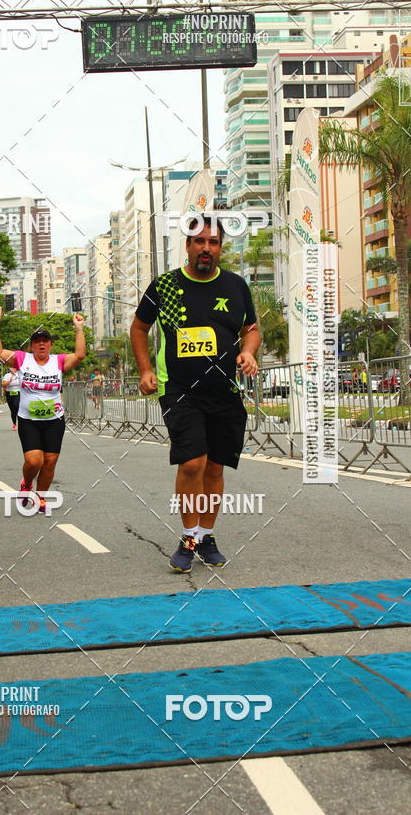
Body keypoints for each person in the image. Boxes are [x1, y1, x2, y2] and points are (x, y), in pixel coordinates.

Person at [130, 216, 260, 573]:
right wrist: (145, 370)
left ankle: (206, 535)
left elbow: (250, 329)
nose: (206, 248)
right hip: (180, 389)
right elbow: (140, 328)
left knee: (215, 468)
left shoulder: (235, 286)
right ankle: (189, 538)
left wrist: (248, 351)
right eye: (199, 241)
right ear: (187, 246)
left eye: (213, 242)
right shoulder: (166, 286)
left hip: (225, 391)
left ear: (220, 247)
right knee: (193, 463)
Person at [0, 308, 86, 515]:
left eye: (45, 341)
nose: (41, 344)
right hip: (29, 420)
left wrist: (78, 329)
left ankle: (40, 497)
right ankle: (26, 483)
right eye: (37, 341)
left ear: (50, 345)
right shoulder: (22, 360)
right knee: (35, 461)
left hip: (54, 420)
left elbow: (80, 354)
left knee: (50, 461)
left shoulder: (58, 361)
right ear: (32, 346)